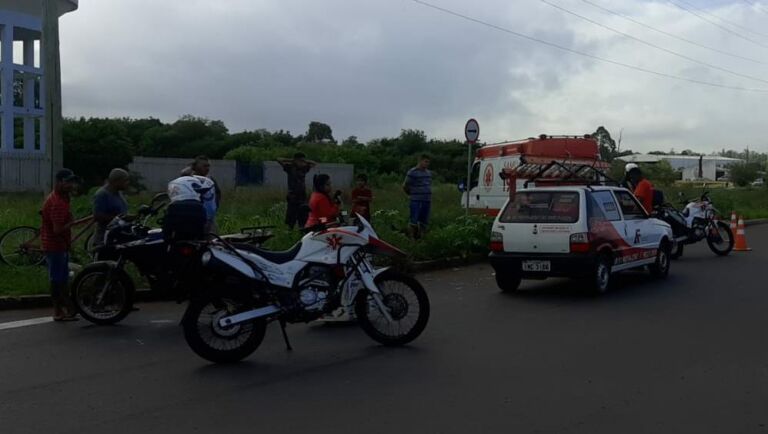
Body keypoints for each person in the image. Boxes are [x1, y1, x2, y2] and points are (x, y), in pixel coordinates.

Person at [41, 169, 89, 321]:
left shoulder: (63, 198)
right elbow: (57, 229)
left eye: (71, 182)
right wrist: (71, 223)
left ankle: (66, 309)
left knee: (61, 278)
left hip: (60, 245)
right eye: (67, 182)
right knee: (57, 280)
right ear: (59, 182)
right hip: (54, 246)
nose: (70, 185)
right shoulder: (57, 203)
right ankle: (58, 311)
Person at [92, 168, 130, 250]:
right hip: (105, 240)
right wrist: (119, 218)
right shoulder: (102, 195)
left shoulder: (119, 193)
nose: (127, 183)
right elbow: (98, 216)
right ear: (116, 181)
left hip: (118, 238)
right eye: (125, 181)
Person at [181, 156, 220, 233]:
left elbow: (218, 193)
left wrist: (215, 206)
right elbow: (183, 173)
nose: (207, 168)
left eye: (208, 166)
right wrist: (192, 167)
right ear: (196, 167)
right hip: (195, 217)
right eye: (204, 166)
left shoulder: (210, 179)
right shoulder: (190, 179)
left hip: (210, 218)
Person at [278, 152, 317, 229]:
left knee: (303, 217)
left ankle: (302, 230)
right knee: (291, 218)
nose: (302, 162)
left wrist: (304, 161)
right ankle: (289, 231)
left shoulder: (304, 168)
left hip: (302, 197)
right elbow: (279, 159)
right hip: (293, 197)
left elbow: (314, 163)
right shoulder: (290, 168)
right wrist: (292, 160)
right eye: (300, 160)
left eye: (303, 161)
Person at [403, 155, 432, 239]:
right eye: (425, 161)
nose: (427, 164)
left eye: (428, 162)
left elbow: (428, 184)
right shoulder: (412, 172)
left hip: (426, 199)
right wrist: (411, 194)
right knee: (414, 220)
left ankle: (422, 238)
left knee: (424, 221)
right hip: (416, 199)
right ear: (420, 161)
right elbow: (405, 185)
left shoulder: (428, 173)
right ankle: (411, 238)